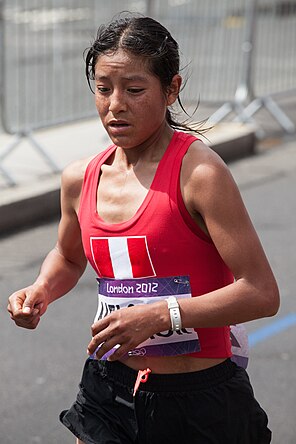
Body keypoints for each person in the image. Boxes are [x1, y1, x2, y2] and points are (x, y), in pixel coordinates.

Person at [7, 14, 279, 444]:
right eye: (103, 88)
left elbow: (261, 292)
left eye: (134, 90)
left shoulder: (200, 174)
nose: (115, 105)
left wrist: (161, 315)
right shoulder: (80, 179)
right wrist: (41, 289)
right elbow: (68, 256)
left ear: (171, 89)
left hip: (199, 400)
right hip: (109, 390)